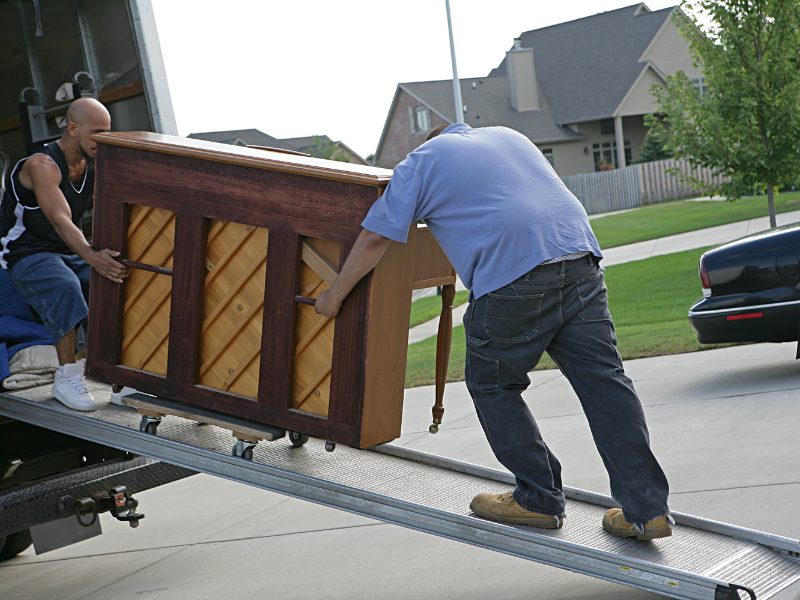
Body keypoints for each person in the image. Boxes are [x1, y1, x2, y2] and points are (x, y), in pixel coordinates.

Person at [314, 123, 672, 540]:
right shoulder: (509, 136)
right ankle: (647, 511)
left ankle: (538, 499)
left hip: (513, 276)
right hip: (579, 258)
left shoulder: (422, 162)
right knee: (605, 384)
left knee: (492, 385)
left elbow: (376, 238)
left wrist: (335, 296)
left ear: (428, 142)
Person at [0, 98, 129, 411]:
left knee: (116, 282)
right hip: (24, 252)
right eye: (98, 132)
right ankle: (67, 376)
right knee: (66, 285)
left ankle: (120, 378)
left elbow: (109, 213)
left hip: (65, 250)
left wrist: (105, 256)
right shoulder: (41, 165)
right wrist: (90, 255)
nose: (104, 139)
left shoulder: (93, 165)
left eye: (108, 131)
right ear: (73, 129)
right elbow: (60, 220)